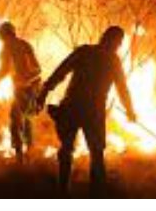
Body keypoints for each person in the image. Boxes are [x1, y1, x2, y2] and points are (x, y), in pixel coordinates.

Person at [37, 26, 137, 197]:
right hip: (92, 112)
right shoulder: (113, 60)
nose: (118, 45)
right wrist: (129, 111)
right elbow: (122, 89)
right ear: (116, 43)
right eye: (119, 42)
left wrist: (45, 91)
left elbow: (61, 71)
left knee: (69, 149)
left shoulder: (86, 52)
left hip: (73, 108)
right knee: (95, 153)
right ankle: (95, 194)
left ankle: (65, 191)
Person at [0, 21, 43, 163]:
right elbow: (38, 69)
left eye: (2, 35)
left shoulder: (8, 47)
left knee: (15, 121)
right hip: (32, 88)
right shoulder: (25, 44)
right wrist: (31, 83)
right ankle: (29, 153)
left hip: (23, 89)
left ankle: (20, 157)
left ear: (4, 35)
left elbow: (4, 69)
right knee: (27, 119)